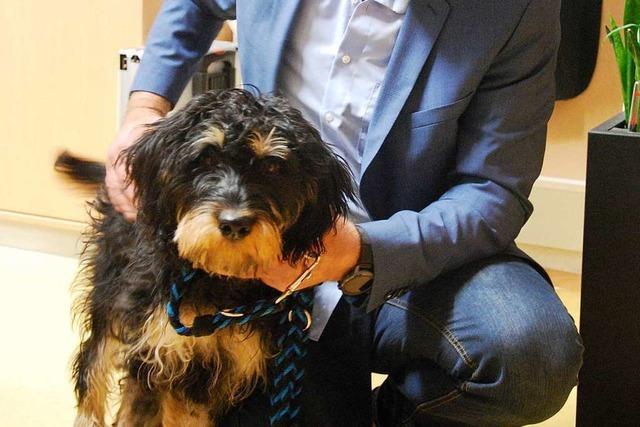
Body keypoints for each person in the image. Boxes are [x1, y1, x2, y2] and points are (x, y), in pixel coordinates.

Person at [108, 1, 584, 425]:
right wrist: (144, 107)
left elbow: (492, 190)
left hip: (409, 255)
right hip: (266, 261)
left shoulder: (518, 9)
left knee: (531, 357)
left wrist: (362, 251)